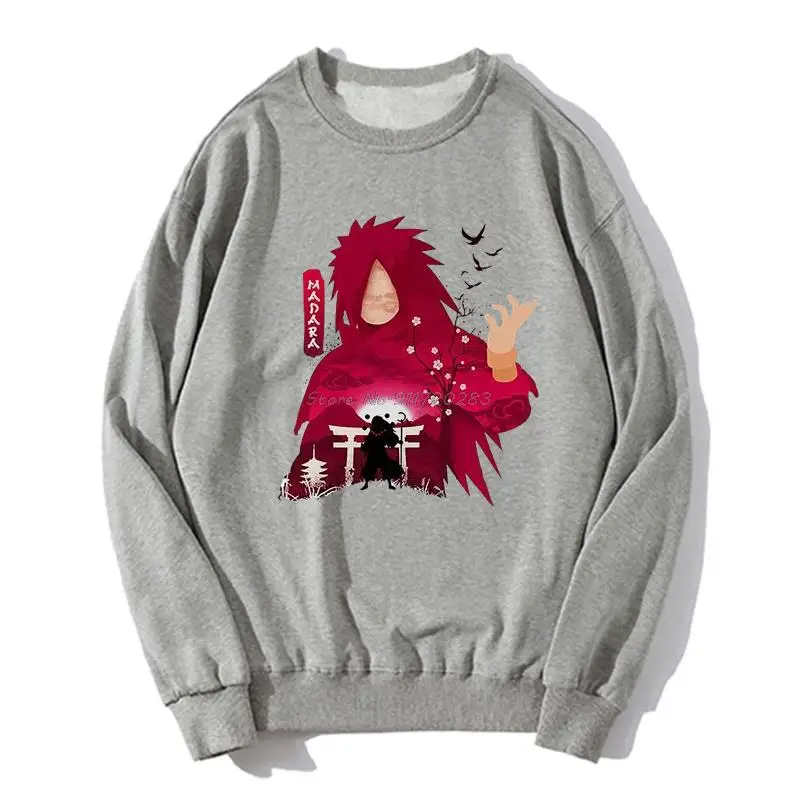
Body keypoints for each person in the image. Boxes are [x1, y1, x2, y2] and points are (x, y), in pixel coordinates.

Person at [359, 415, 404, 490]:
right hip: (374, 454)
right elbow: (368, 443)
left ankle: (389, 484)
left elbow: (390, 440)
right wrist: (364, 447)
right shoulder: (373, 432)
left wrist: (398, 441)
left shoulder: (382, 432)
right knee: (370, 468)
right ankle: (367, 484)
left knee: (385, 468)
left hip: (380, 454)